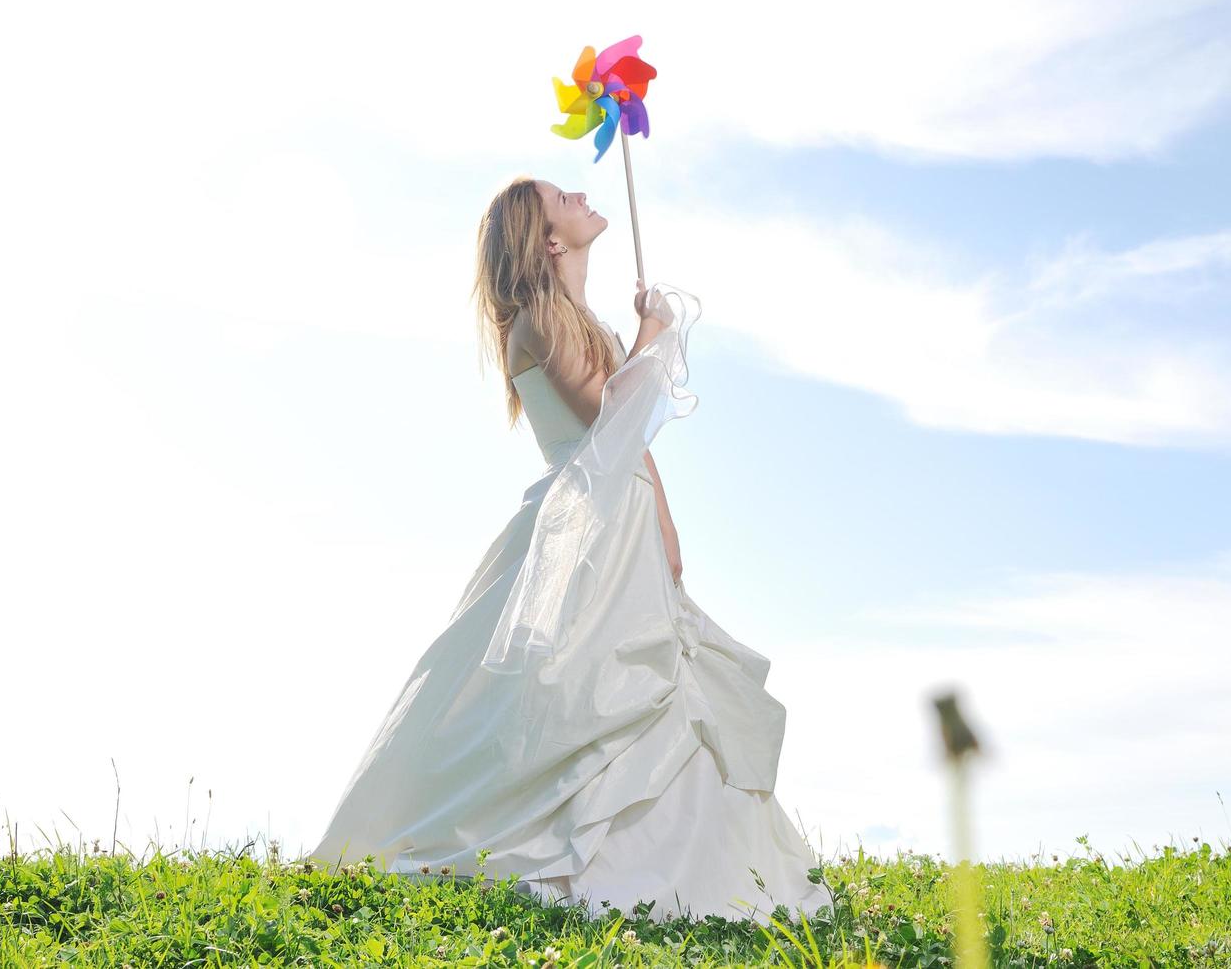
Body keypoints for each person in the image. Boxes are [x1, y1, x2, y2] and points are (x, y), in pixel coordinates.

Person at [300, 176, 833, 926]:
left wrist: (667, 522)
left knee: (650, 687)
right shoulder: (540, 322)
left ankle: (690, 863)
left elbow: (628, 447)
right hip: (587, 533)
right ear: (550, 241)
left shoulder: (579, 321)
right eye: (563, 198)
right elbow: (612, 420)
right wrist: (653, 334)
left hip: (620, 520)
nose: (582, 194)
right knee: (586, 690)